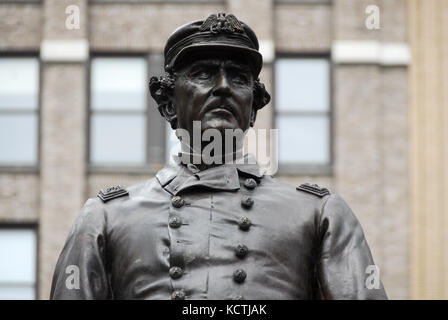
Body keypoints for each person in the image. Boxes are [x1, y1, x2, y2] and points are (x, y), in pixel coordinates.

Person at [50, 13, 387, 300]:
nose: (223, 86)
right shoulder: (107, 217)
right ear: (168, 102)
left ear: (252, 109)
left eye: (239, 78)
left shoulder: (317, 213)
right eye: (203, 74)